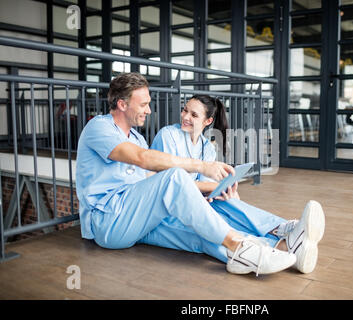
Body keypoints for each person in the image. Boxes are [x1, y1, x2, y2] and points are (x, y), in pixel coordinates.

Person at [76, 72, 299, 277]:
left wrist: (212, 189)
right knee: (175, 176)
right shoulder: (99, 127)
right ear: (122, 104)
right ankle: (237, 244)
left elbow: (147, 179)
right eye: (143, 105)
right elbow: (141, 158)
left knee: (197, 231)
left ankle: (270, 248)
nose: (149, 110)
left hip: (137, 220)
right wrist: (201, 167)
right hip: (107, 221)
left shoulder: (137, 138)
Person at [150, 94, 326, 274]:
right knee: (212, 225)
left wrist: (220, 193)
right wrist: (215, 187)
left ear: (208, 121)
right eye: (185, 110)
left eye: (194, 115)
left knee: (226, 201)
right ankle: (281, 246)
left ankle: (284, 230)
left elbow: (202, 187)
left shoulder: (207, 147)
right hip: (166, 208)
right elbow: (170, 184)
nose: (185, 117)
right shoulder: (168, 135)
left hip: (190, 202)